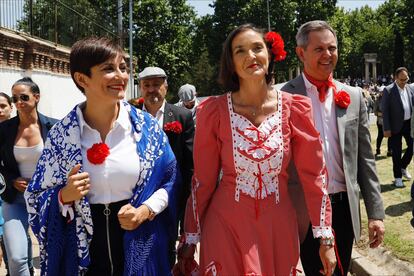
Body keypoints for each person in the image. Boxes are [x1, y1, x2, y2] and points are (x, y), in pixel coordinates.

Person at [177, 23, 336, 275]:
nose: (250, 56)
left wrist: (325, 238)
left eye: (257, 48)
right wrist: (190, 237)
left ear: (269, 54)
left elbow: (314, 177)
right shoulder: (213, 112)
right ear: (230, 62)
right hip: (226, 226)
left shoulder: (295, 108)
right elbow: (203, 181)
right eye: (240, 51)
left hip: (279, 227)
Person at [24, 37, 179, 275]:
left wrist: (145, 210)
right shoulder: (61, 136)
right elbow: (36, 196)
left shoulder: (147, 128)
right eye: (109, 69)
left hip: (139, 241)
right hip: (83, 249)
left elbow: (169, 180)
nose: (121, 76)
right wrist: (65, 195)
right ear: (82, 78)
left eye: (123, 68)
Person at [281, 20, 385, 275]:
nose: (328, 55)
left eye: (332, 48)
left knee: (339, 269)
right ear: (301, 52)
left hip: (343, 207)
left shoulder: (354, 96)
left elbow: (365, 160)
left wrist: (376, 213)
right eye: (319, 49)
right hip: (305, 209)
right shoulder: (283, 97)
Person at [137, 66, 194, 266]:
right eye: (147, 85)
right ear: (140, 88)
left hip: (172, 196)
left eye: (157, 84)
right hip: (138, 195)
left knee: (167, 245)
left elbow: (189, 163)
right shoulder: (129, 114)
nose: (152, 89)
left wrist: (187, 200)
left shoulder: (181, 116)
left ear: (166, 87)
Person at [0, 78, 57, 276]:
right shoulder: (4, 130)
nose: (19, 103)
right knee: (16, 257)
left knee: (52, 254)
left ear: (36, 97)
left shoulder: (54, 127)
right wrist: (12, 180)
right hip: (14, 199)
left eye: (24, 97)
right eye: (15, 98)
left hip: (47, 199)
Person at [382, 67, 414, 187]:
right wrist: (386, 128)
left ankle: (402, 167)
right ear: (395, 78)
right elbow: (385, 111)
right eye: (402, 80)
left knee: (412, 149)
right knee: (396, 152)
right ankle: (398, 177)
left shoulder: (410, 88)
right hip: (395, 126)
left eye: (406, 79)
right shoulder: (388, 90)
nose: (404, 82)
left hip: (408, 124)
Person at [0, 92, 12, 275]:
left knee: (13, 238)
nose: (0, 110)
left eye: (3, 106)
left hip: (13, 193)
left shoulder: (18, 131)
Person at [374, 89, 392, 157]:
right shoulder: (377, 100)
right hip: (381, 121)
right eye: (381, 92)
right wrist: (382, 114)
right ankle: (378, 150)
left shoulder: (389, 99)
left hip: (389, 120)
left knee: (390, 135)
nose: (383, 93)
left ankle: (389, 151)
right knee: (380, 136)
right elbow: (375, 111)